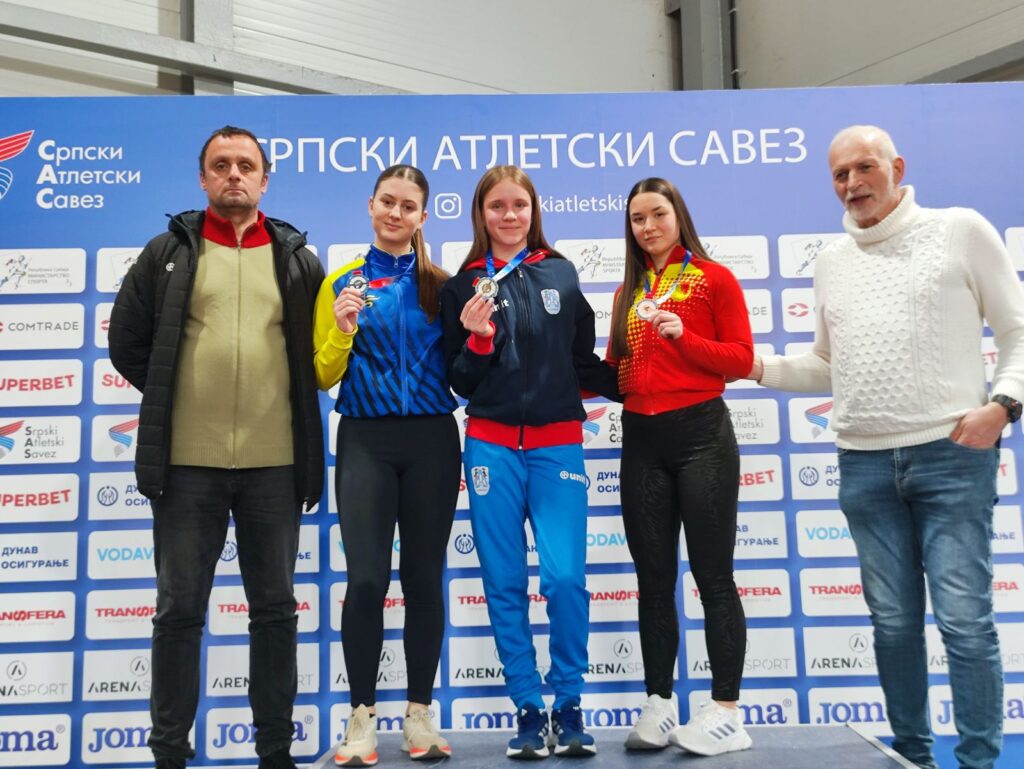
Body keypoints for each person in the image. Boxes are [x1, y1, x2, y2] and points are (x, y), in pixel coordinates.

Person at [748, 125, 1024, 769]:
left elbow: (1018, 331)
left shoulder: (960, 230)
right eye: (840, 175)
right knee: (893, 626)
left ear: (897, 167)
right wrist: (754, 366)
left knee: (964, 621)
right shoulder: (831, 261)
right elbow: (827, 365)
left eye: (864, 168)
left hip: (953, 457)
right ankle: (912, 759)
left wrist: (1003, 407)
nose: (852, 184)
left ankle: (979, 763)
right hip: (864, 466)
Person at [108, 125, 325, 769]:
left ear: (264, 180)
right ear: (203, 178)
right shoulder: (166, 253)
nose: (234, 174)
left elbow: (317, 355)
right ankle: (169, 754)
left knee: (275, 612)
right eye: (221, 165)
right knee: (179, 612)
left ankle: (275, 752)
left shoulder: (297, 259)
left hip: (274, 465)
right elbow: (127, 342)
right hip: (185, 467)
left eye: (246, 165)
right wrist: (175, 391)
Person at [439, 166, 619, 759]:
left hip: (556, 443)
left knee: (565, 578)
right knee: (504, 581)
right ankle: (526, 706)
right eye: (497, 206)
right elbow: (459, 382)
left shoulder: (559, 272)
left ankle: (568, 702)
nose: (509, 215)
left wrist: (642, 385)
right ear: (481, 214)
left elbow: (582, 361)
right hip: (490, 446)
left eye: (519, 204)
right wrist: (478, 340)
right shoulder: (462, 285)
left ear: (533, 210)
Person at [313, 165, 459, 766]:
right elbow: (322, 373)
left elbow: (464, 372)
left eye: (408, 206)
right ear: (370, 206)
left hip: (432, 441)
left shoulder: (442, 285)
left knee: (423, 579)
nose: (396, 214)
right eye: (387, 202)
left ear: (423, 216)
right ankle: (361, 717)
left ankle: (419, 715)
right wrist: (342, 329)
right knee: (367, 580)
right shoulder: (340, 282)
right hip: (365, 440)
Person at [606, 178, 754, 757]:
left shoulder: (714, 278)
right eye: (637, 218)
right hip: (642, 440)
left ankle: (726, 711)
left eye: (657, 214)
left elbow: (740, 359)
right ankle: (659, 702)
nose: (648, 227)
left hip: (701, 437)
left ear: (678, 216)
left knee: (713, 578)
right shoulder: (628, 291)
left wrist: (684, 337)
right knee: (653, 580)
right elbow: (617, 372)